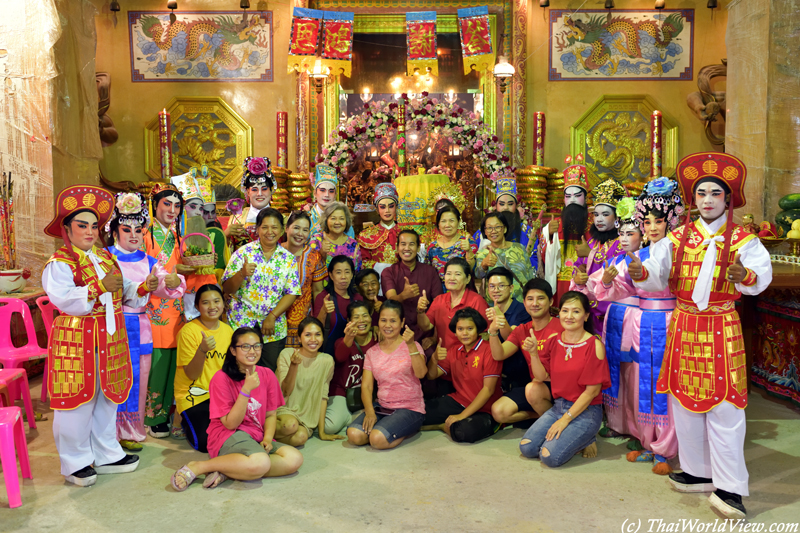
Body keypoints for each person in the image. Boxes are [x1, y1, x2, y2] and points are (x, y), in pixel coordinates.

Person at [628, 153, 772, 519]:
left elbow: (761, 277)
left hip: (722, 327)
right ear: (694, 200)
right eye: (701, 193)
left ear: (728, 199)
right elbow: (657, 276)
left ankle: (732, 488)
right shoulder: (676, 238)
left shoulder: (743, 239)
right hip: (684, 325)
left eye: (716, 193)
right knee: (683, 402)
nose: (707, 199)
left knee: (726, 408)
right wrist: (639, 271)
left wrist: (745, 276)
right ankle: (696, 472)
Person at [43, 185, 159, 486]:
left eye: (94, 226)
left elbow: (126, 293)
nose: (90, 231)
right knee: (76, 403)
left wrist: (145, 285)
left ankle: (107, 453)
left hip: (109, 338)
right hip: (77, 342)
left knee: (107, 398)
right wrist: (99, 288)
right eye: (82, 225)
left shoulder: (105, 259)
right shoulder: (60, 263)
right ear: (67, 229)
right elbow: (65, 299)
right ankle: (75, 462)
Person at [591, 179, 683, 475]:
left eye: (659, 221)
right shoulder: (640, 254)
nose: (653, 227)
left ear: (671, 221)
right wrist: (607, 279)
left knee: (663, 385)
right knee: (642, 383)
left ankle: (667, 447)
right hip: (644, 321)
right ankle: (647, 440)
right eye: (648, 222)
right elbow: (616, 286)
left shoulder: (677, 249)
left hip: (668, 322)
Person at [170, 327, 304, 491]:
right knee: (261, 462)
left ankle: (231, 470)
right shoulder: (221, 378)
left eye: (257, 346)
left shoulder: (267, 374)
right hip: (227, 434)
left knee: (294, 459)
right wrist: (245, 390)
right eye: (245, 346)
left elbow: (270, 414)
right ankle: (200, 466)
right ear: (233, 350)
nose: (252, 351)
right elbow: (230, 424)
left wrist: (268, 439)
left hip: (255, 435)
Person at [106, 192, 186, 451]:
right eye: (126, 229)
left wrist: (175, 282)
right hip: (111, 325)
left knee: (138, 380)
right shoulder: (104, 257)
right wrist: (140, 289)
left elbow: (164, 284)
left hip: (140, 327)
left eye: (138, 230)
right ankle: (106, 432)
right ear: (115, 230)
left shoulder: (149, 261)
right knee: (111, 378)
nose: (133, 235)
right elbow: (112, 289)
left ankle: (131, 428)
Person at [519, 291, 611, 467]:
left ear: (585, 316)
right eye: (565, 311)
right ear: (559, 313)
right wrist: (534, 354)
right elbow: (541, 377)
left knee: (549, 457)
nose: (569, 316)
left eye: (576, 312)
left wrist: (565, 420)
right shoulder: (554, 341)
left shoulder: (594, 345)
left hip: (587, 412)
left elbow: (592, 392)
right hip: (558, 407)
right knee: (527, 448)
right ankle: (577, 438)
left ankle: (587, 438)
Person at [144, 183, 196, 438]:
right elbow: (141, 271)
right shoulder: (145, 235)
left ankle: (169, 410)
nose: (173, 210)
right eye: (167, 204)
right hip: (153, 307)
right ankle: (153, 415)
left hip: (176, 307)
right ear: (155, 205)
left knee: (175, 362)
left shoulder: (177, 237)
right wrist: (174, 274)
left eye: (177, 206)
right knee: (158, 363)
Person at [222, 208, 301, 371]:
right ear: (257, 229)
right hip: (241, 324)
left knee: (268, 374)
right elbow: (227, 288)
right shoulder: (243, 253)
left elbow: (292, 292)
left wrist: (272, 316)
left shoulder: (288, 259)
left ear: (281, 230)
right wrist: (241, 274)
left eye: (274, 227)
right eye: (264, 227)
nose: (269, 232)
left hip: (273, 328)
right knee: (240, 373)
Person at [347, 301, 427, 450]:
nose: (387, 325)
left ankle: (407, 429)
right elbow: (367, 386)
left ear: (402, 322)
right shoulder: (372, 352)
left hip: (410, 408)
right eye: (383, 320)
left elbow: (421, 373)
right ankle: (388, 428)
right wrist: (370, 412)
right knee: (354, 435)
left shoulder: (413, 345)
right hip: (382, 407)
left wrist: (410, 346)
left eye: (393, 321)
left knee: (377, 439)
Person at [489, 278, 564, 425]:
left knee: (532, 389)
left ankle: (559, 426)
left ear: (551, 301)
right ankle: (541, 416)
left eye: (540, 298)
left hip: (561, 388)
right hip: (537, 386)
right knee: (499, 411)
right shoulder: (522, 330)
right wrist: (492, 331)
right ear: (524, 303)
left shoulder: (562, 326)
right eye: (530, 299)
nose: (534, 304)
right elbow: (500, 354)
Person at [423, 308, 502, 443]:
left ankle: (442, 426)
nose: (464, 333)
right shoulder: (454, 350)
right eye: (460, 329)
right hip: (459, 401)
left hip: (486, 409)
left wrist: (461, 416)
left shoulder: (489, 349)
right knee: (418, 413)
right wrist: (434, 359)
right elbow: (432, 375)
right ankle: (445, 425)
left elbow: (488, 390)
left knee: (464, 432)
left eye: (469, 328)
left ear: (478, 329)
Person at [174, 284, 233, 453]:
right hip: (194, 394)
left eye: (216, 301)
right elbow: (192, 374)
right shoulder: (189, 331)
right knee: (205, 443)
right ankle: (181, 417)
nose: (212, 307)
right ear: (197, 306)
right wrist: (202, 350)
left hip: (221, 395)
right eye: (206, 303)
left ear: (223, 303)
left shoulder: (228, 331)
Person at [570, 178, 627, 334]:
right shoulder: (591, 241)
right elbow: (578, 267)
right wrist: (578, 277)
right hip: (589, 310)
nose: (599, 219)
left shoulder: (622, 242)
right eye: (596, 214)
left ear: (616, 218)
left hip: (611, 310)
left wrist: (590, 255)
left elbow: (618, 272)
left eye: (605, 214)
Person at [274, 317, 339, 445]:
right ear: (299, 338)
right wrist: (294, 365)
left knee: (301, 437)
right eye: (308, 335)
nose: (313, 339)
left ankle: (271, 438)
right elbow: (285, 391)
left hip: (306, 416)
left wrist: (322, 432)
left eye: (317, 335)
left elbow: (323, 397)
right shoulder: (287, 354)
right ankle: (264, 432)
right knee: (291, 425)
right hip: (284, 409)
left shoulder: (327, 360)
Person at [538, 154, 591, 307]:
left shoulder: (593, 226)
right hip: (559, 283)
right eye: (568, 196)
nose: (572, 199)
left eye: (577, 195)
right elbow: (542, 258)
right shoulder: (554, 225)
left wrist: (590, 253)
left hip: (585, 283)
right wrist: (548, 235)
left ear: (586, 198)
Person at [171, 169, 223, 319]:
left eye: (201, 208)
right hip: (181, 294)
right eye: (192, 207)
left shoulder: (210, 235)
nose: (199, 212)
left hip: (207, 295)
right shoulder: (173, 237)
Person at [382, 229, 443, 346]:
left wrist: (434, 337)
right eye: (403, 244)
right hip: (396, 335)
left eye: (412, 244)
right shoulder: (389, 272)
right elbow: (390, 300)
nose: (407, 248)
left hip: (425, 335)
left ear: (418, 248)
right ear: (397, 247)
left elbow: (439, 306)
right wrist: (404, 295)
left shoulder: (430, 272)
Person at [327, 301, 377, 434]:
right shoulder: (341, 341)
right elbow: (340, 357)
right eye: (356, 317)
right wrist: (349, 338)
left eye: (365, 315)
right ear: (349, 320)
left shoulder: (378, 340)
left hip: (370, 392)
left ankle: (355, 419)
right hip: (343, 392)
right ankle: (352, 418)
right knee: (330, 427)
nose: (361, 320)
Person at [417, 257, 488, 350]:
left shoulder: (477, 301)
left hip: (467, 357)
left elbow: (486, 334)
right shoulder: (439, 300)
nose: (452, 278)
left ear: (468, 279)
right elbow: (426, 327)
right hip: (444, 357)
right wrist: (420, 311)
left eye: (457, 274)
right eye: (448, 274)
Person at [281, 211, 327, 348]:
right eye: (296, 228)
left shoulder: (314, 256)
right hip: (275, 322)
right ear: (286, 228)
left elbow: (318, 291)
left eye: (305, 230)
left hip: (303, 324)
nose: (300, 233)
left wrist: (317, 321)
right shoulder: (275, 252)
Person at [474, 212, 535, 303]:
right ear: (485, 232)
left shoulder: (520, 248)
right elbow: (478, 274)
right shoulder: (483, 253)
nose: (493, 231)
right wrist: (484, 264)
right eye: (489, 228)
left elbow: (530, 274)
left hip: (521, 303)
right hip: (496, 304)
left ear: (505, 229)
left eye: (497, 227)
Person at [474, 178, 536, 264]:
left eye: (510, 204)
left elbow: (535, 259)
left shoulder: (527, 232)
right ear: (495, 206)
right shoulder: (482, 233)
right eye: (501, 204)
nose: (506, 207)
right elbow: (475, 261)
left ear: (516, 206)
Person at [226, 156, 277, 251]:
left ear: (271, 191)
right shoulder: (236, 220)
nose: (259, 194)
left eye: (264, 189)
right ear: (247, 192)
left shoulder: (283, 219)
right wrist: (226, 235)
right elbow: (228, 252)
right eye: (254, 190)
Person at [313, 255, 360, 355]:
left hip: (352, 354)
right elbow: (315, 330)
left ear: (352, 275)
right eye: (338, 272)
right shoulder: (323, 297)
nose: (343, 276)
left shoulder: (358, 298)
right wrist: (323, 311)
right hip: (327, 353)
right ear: (331, 275)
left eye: (347, 272)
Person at [425, 203, 478, 286]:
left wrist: (468, 251)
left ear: (458, 222)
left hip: (462, 292)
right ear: (438, 224)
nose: (447, 225)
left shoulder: (468, 243)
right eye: (443, 221)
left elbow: (471, 270)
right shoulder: (432, 247)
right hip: (439, 294)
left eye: (451, 221)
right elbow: (428, 274)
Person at [357, 182, 400, 274]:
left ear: (396, 207)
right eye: (382, 207)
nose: (387, 211)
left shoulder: (406, 232)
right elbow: (362, 262)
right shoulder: (366, 235)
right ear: (377, 209)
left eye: (391, 206)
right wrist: (384, 267)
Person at [304, 164, 354, 238]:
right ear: (315, 193)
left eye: (331, 191)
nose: (326, 195)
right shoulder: (306, 218)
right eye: (322, 190)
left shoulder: (343, 220)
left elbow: (350, 244)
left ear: (335, 195)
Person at [310, 201, 362, 270]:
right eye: (333, 218)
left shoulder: (353, 244)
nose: (337, 222)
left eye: (341, 218)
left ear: (347, 221)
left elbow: (358, 273)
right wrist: (322, 253)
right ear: (326, 220)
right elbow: (309, 268)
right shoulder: (316, 240)